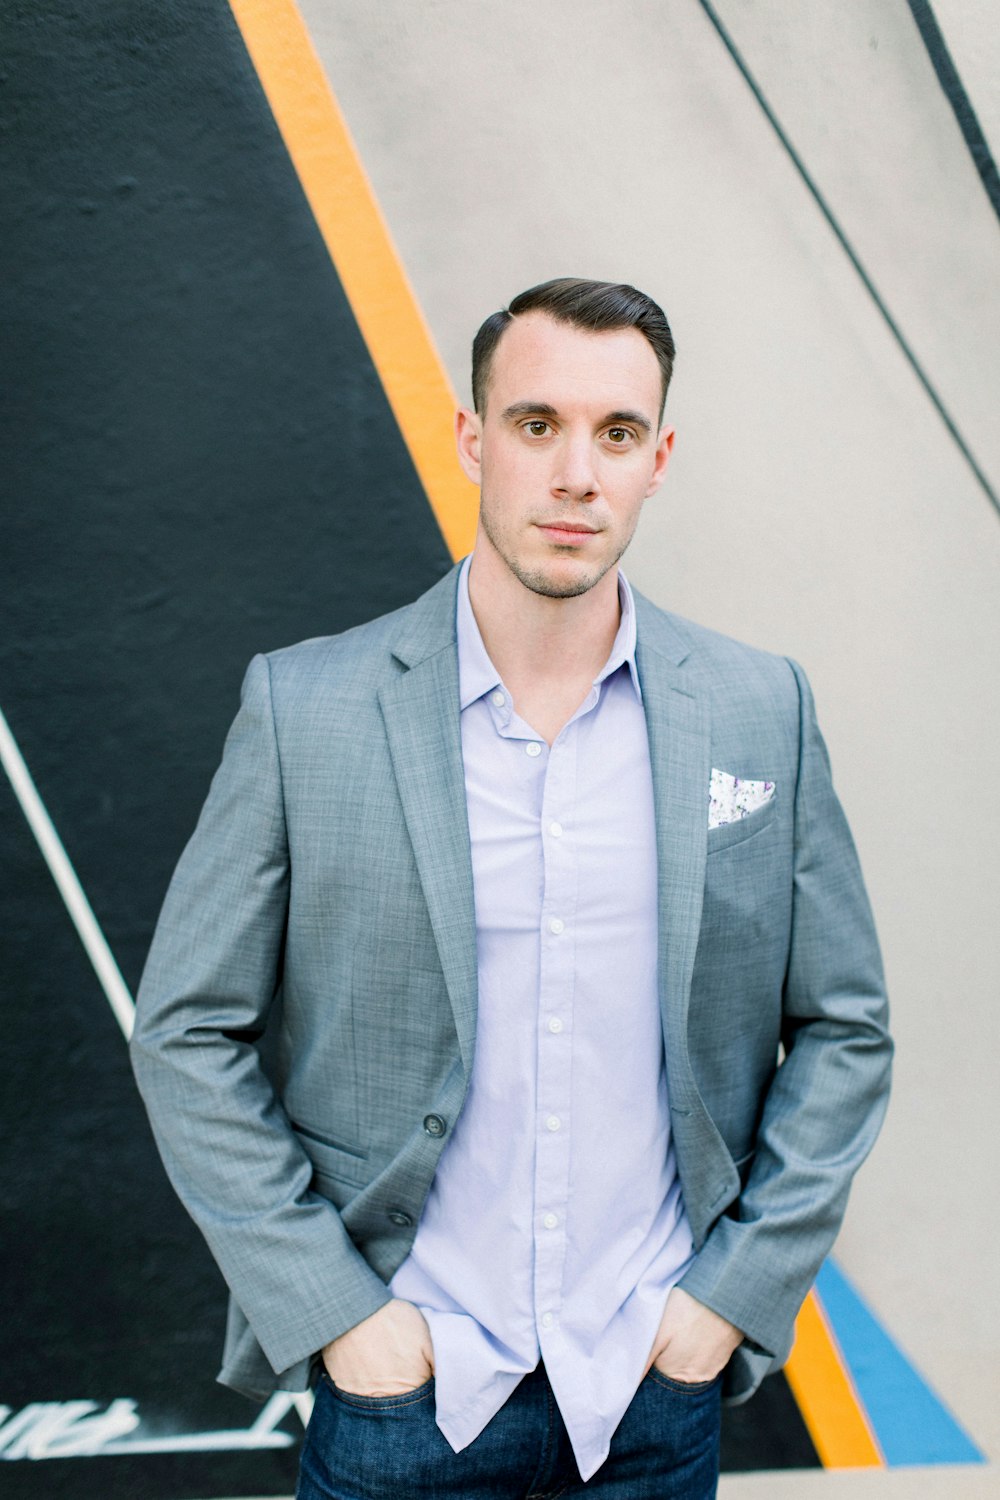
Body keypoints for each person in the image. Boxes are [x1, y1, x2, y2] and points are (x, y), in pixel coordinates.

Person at [131, 277, 892, 1499]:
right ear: (475, 440)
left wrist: (724, 1302)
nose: (576, 473)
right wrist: (337, 1316)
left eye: (617, 433)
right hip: (404, 1395)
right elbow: (185, 1031)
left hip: (649, 1393)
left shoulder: (761, 708)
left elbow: (844, 1030)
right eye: (537, 425)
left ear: (659, 459)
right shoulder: (306, 707)